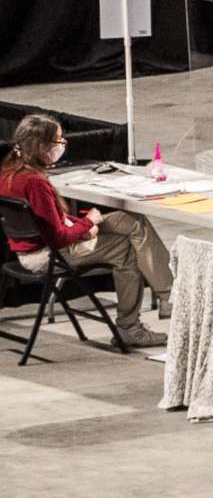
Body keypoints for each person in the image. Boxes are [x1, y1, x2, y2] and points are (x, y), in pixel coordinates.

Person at [0, 114, 169, 347]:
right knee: (126, 249)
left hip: (30, 250)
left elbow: (49, 219)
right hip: (45, 256)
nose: (62, 146)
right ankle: (132, 326)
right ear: (41, 146)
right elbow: (58, 237)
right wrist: (87, 224)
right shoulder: (35, 182)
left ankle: (167, 296)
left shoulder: (9, 172)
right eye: (58, 142)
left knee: (131, 220)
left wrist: (82, 224)